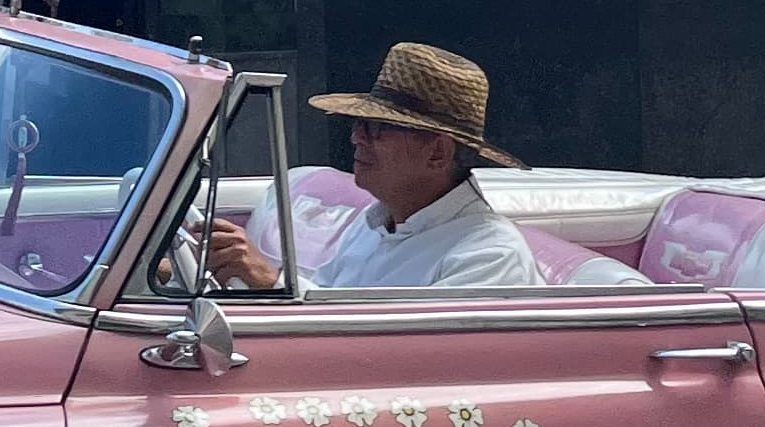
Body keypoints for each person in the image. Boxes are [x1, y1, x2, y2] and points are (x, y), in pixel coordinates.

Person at [205, 40, 545, 296]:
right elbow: (327, 300)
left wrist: (271, 280)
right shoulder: (375, 222)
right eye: (358, 124)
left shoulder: (489, 255)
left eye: (378, 128)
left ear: (438, 153)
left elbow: (403, 356)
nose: (356, 137)